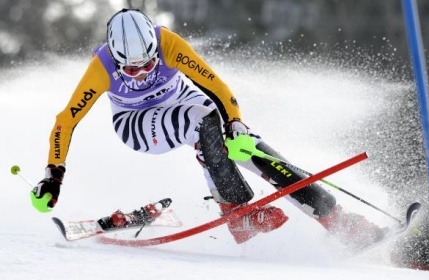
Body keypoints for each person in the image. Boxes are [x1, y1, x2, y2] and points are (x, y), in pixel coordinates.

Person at [33, 8, 384, 247]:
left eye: (149, 64)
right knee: (204, 124)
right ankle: (238, 214)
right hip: (137, 122)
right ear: (116, 58)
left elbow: (216, 87)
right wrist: (54, 174)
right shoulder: (102, 66)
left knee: (251, 148)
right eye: (132, 70)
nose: (141, 73)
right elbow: (67, 121)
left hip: (182, 101)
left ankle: (339, 222)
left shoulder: (169, 42)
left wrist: (236, 123)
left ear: (157, 47)